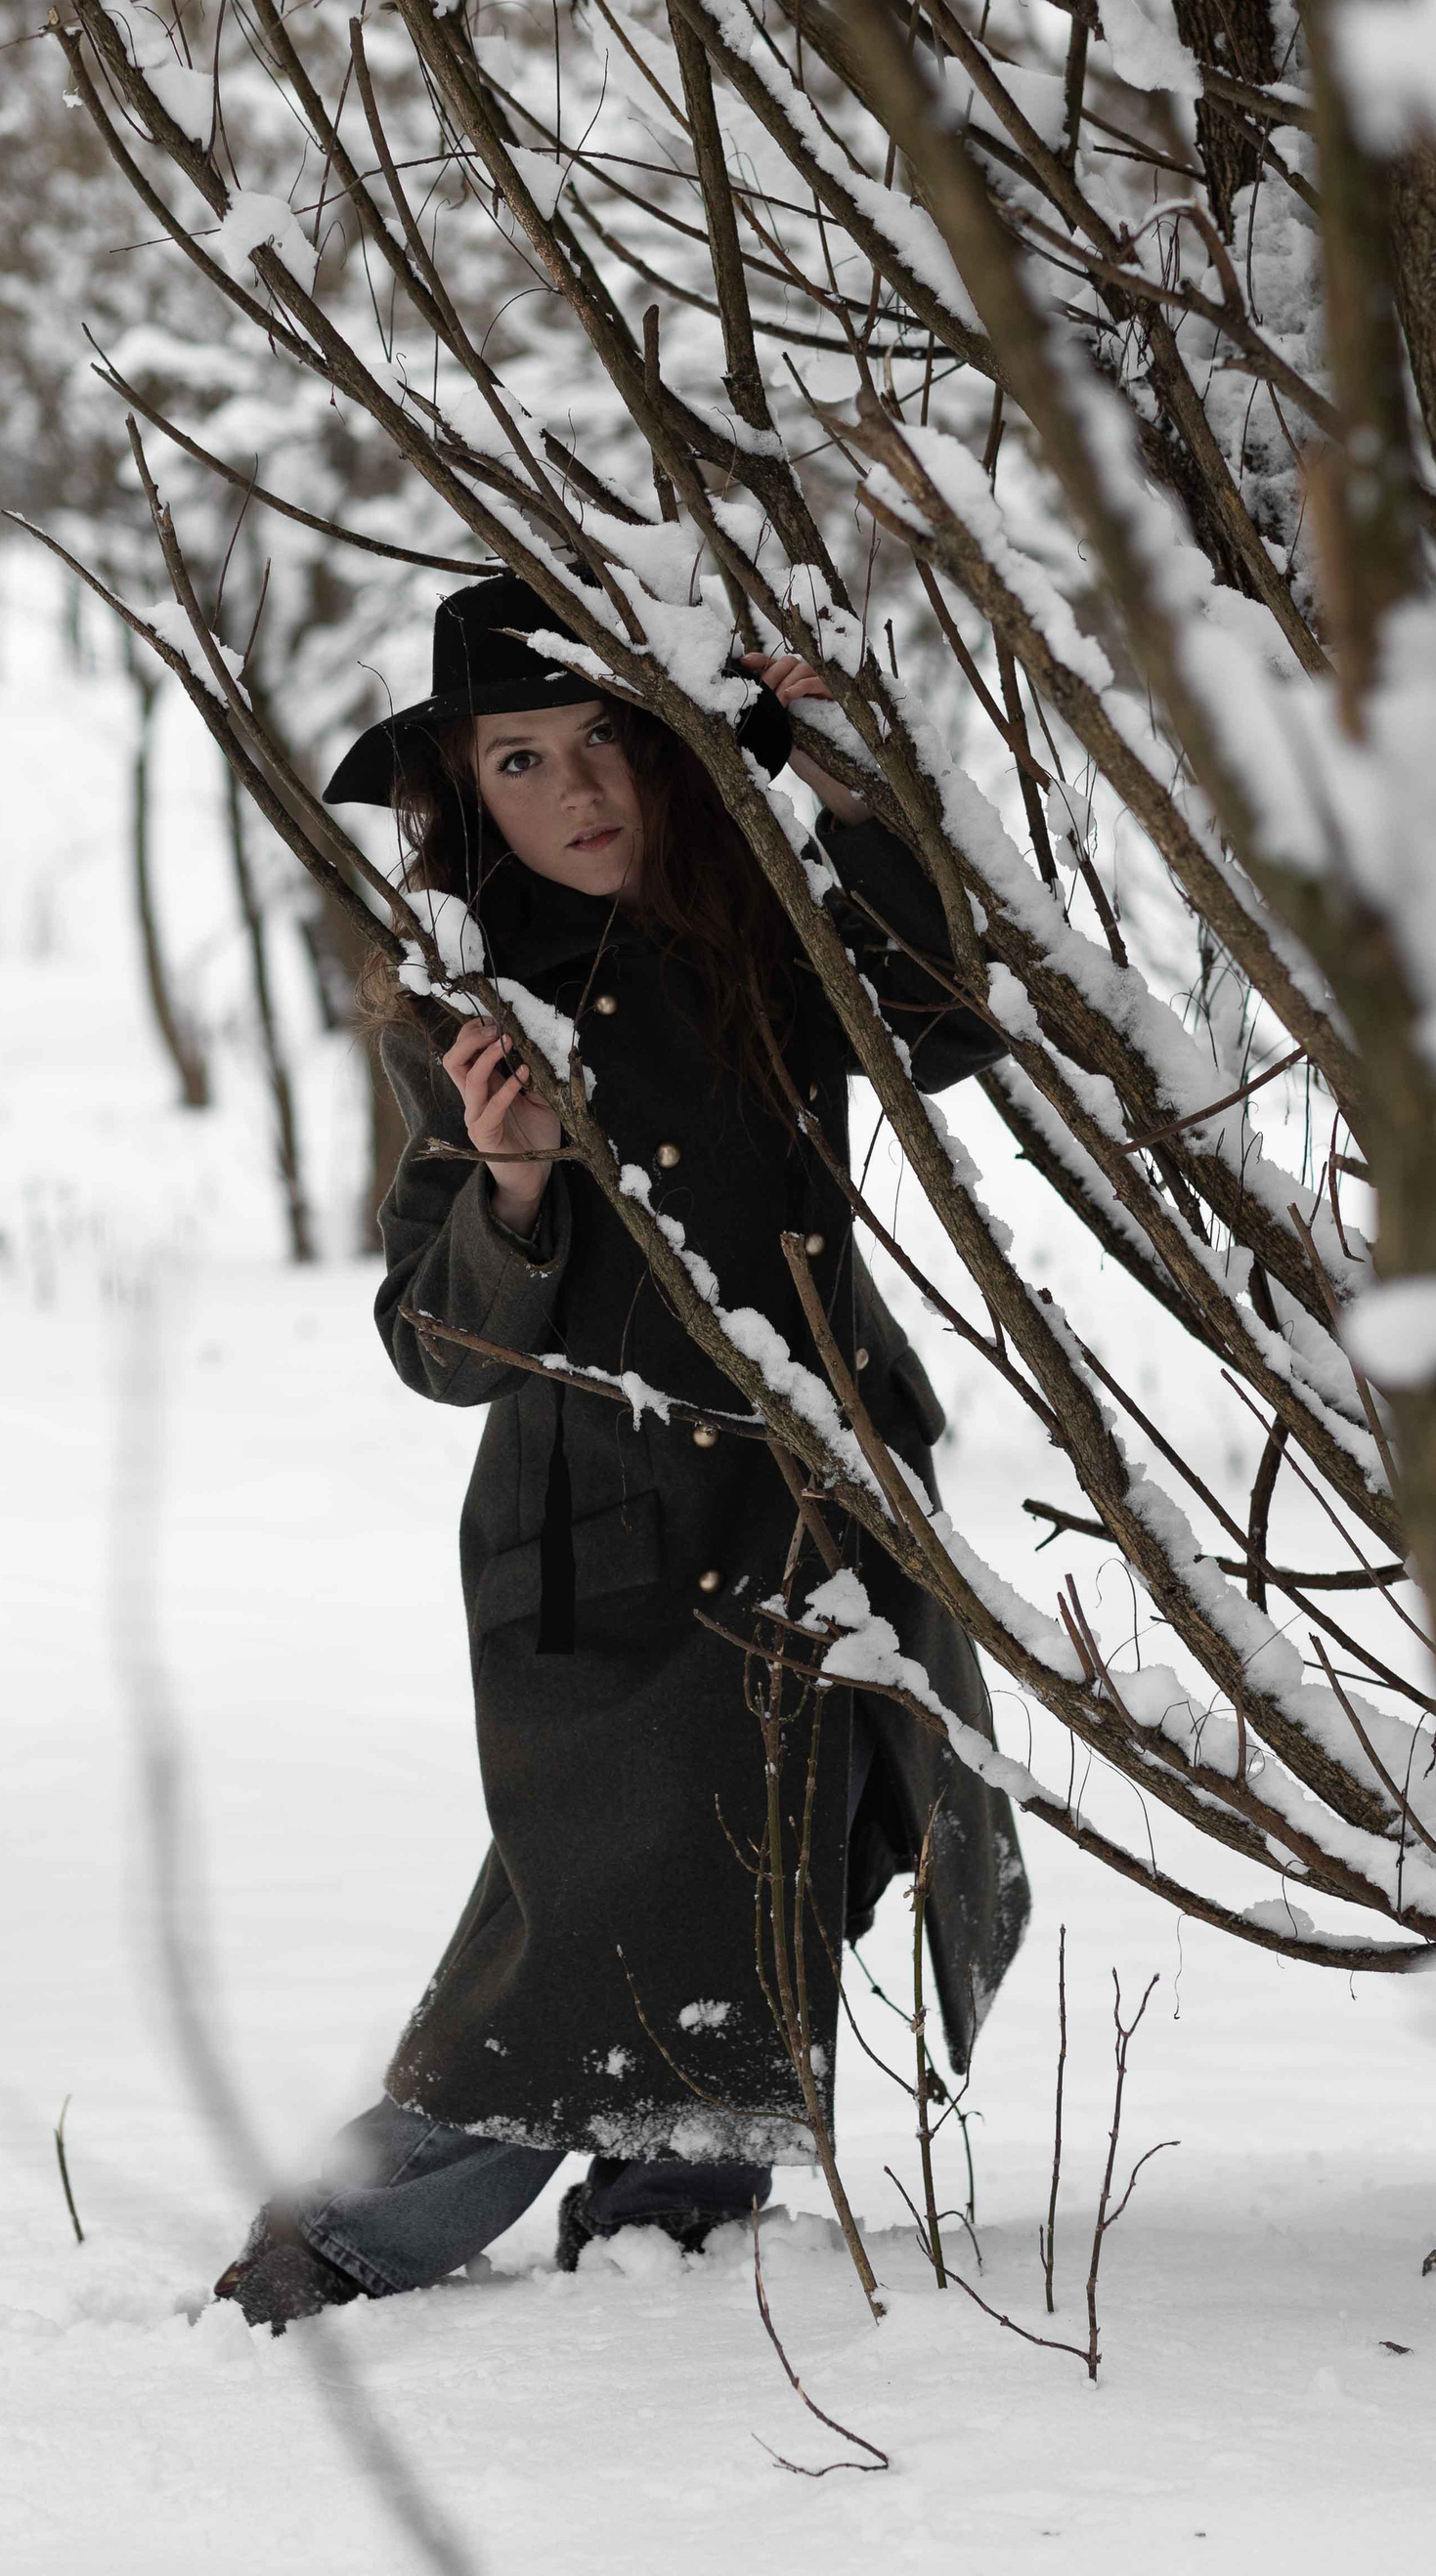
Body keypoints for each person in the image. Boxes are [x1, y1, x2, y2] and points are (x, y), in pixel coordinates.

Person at [213, 573, 1029, 2329]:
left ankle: (671, 2224)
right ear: (462, 795)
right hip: (610, 1551)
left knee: (784, 1874)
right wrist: (509, 1180)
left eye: (608, 743)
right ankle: (347, 2237)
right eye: (521, 760)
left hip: (817, 1504)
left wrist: (822, 759)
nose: (579, 793)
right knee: (582, 1935)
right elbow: (434, 1340)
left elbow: (946, 1010)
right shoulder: (481, 997)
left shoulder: (760, 950)